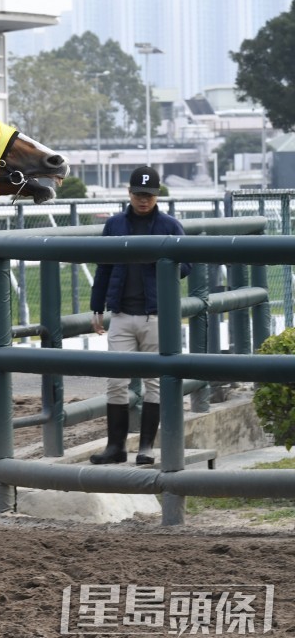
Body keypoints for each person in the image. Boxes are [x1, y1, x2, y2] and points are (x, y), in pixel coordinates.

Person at [89, 166, 191, 465]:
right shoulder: (114, 225)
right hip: (121, 314)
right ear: (129, 193)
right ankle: (116, 447)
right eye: (138, 194)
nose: (143, 200)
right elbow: (103, 267)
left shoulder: (171, 226)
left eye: (149, 195)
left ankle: (146, 447)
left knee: (154, 382)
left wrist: (160, 263)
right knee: (115, 382)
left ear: (157, 196)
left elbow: (187, 266)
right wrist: (98, 306)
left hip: (156, 315)